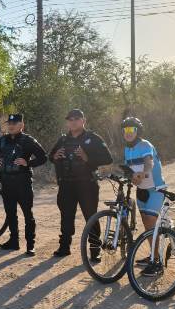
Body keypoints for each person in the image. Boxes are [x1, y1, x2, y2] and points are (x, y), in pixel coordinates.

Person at [49, 109, 113, 257]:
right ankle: (64, 247)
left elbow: (108, 159)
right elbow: (50, 156)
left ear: (83, 121)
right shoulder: (63, 140)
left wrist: (87, 158)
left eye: (76, 119)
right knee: (66, 216)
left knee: (91, 217)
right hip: (66, 185)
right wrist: (55, 156)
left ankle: (95, 250)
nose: (73, 122)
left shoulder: (93, 138)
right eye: (70, 119)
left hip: (87, 184)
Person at [0, 113, 47, 255]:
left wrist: (28, 163)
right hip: (6, 183)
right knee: (11, 214)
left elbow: (43, 157)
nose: (11, 126)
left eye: (15, 124)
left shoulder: (28, 140)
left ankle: (30, 245)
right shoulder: (2, 140)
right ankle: (14, 241)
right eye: (9, 124)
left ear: (22, 125)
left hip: (23, 183)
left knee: (28, 214)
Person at [121, 117, 167, 274]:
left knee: (150, 223)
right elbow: (129, 170)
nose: (128, 132)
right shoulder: (127, 149)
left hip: (156, 189)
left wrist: (143, 173)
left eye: (131, 129)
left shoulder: (145, 145)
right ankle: (153, 255)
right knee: (147, 225)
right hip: (141, 190)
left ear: (137, 131)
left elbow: (149, 163)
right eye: (125, 130)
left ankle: (157, 263)